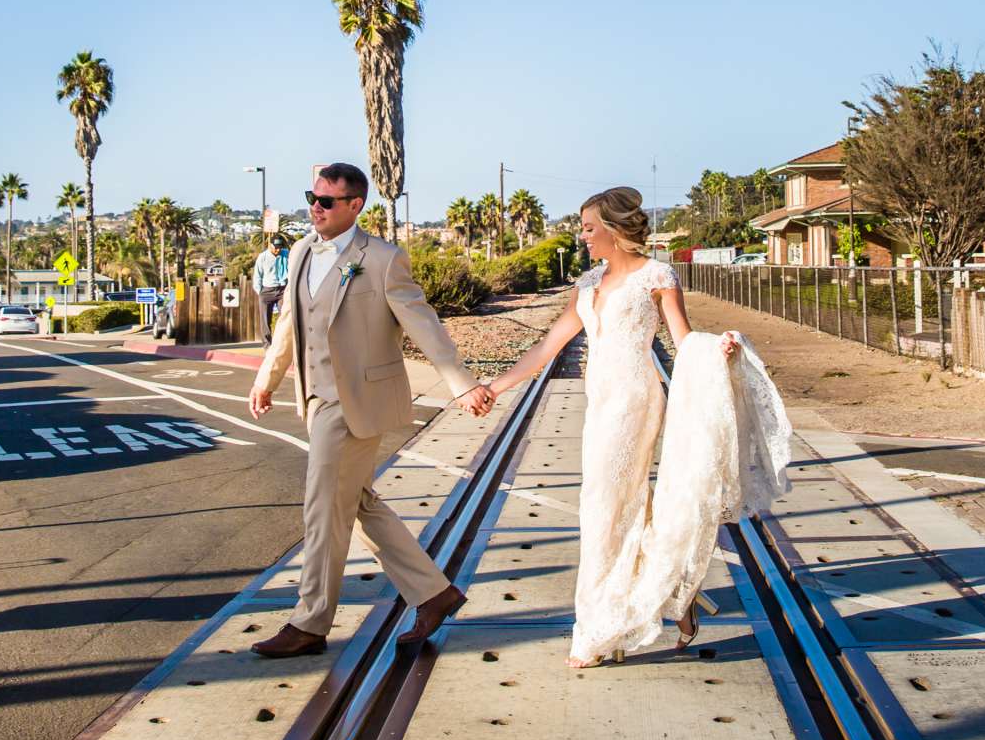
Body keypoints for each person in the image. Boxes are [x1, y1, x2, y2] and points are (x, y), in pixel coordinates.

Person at [472, 187, 792, 668]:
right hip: (600, 402)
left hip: (635, 401)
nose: (582, 236)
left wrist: (718, 351)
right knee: (620, 506)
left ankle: (596, 632)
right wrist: (496, 387)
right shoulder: (587, 284)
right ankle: (673, 597)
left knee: (601, 505)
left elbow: (681, 340)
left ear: (615, 230)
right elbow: (548, 347)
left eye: (588, 228)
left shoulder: (658, 275)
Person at [246, 164, 493, 657]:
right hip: (316, 400)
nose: (315, 208)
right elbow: (291, 324)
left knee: (322, 507)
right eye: (312, 198)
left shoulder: (381, 259)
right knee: (354, 501)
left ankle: (310, 622)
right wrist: (266, 379)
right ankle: (435, 593)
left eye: (327, 201)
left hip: (356, 402)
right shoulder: (299, 253)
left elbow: (423, 325)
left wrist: (459, 384)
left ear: (355, 205)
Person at [253, 233, 292, 336]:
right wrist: (260, 292)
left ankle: (280, 343)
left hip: (282, 289)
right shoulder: (263, 257)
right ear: (270, 245)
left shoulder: (286, 254)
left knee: (284, 318)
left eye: (279, 248)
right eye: (275, 247)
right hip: (267, 290)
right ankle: (267, 346)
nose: (277, 250)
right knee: (265, 322)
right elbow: (257, 275)